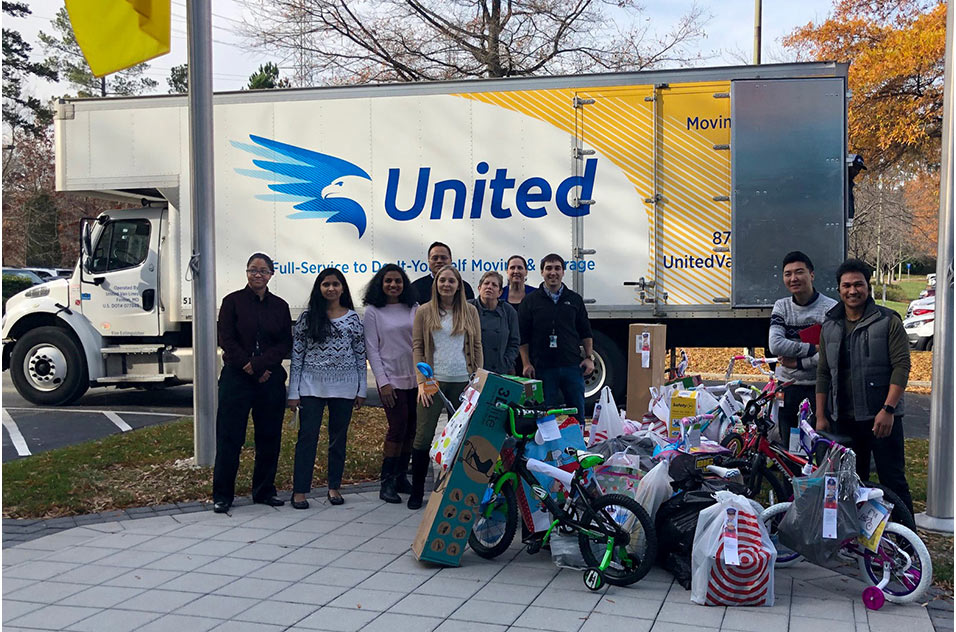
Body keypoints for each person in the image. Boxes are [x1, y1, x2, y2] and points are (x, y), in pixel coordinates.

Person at [816, 258, 913, 514]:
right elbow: (823, 372)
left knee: (892, 482)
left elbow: (901, 367)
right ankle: (858, 545)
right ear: (839, 289)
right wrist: (821, 416)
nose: (852, 291)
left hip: (881, 418)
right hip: (844, 420)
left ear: (867, 287)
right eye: (846, 286)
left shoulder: (888, 320)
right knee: (849, 485)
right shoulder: (830, 325)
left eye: (858, 284)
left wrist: (888, 409)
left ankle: (907, 543)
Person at [212, 253, 292, 514]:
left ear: (271, 274)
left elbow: (284, 343)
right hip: (237, 377)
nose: (258, 275)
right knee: (229, 437)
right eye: (253, 270)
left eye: (263, 271)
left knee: (269, 436)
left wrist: (262, 367)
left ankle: (264, 490)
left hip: (269, 379)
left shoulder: (280, 305)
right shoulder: (232, 302)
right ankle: (223, 495)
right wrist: (249, 366)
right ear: (246, 273)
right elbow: (226, 339)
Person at [287, 268, 367, 508]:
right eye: (326, 284)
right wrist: (293, 392)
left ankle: (334, 487)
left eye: (335, 284)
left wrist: (362, 389)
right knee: (307, 438)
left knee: (338, 440)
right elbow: (297, 356)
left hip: (345, 388)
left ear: (342, 288)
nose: (331, 288)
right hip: (311, 387)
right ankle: (300, 491)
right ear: (319, 289)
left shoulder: (353, 319)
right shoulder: (307, 318)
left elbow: (360, 355)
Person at [409, 265, 482, 509]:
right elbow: (418, 347)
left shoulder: (470, 311)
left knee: (459, 439)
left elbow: (477, 346)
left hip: (463, 382)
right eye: (442, 280)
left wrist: (477, 382)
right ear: (436, 284)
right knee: (423, 437)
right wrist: (421, 381)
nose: (446, 284)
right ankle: (418, 492)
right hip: (432, 382)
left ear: (458, 285)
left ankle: (452, 489)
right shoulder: (424, 311)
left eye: (451, 281)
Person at [363, 264, 419, 504]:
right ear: (380, 284)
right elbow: (372, 349)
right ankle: (386, 482)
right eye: (388, 281)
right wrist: (382, 383)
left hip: (415, 379)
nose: (393, 285)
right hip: (391, 379)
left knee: (411, 428)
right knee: (397, 428)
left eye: (398, 281)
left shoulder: (413, 308)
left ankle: (400, 477)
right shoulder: (373, 311)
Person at [768, 251, 837, 443]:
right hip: (787, 387)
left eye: (799, 272)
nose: (793, 278)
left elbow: (830, 355)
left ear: (811, 275)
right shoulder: (781, 307)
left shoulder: (830, 309)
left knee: (821, 442)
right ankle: (793, 474)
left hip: (819, 389)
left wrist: (797, 362)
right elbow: (775, 344)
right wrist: (812, 349)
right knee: (790, 444)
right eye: (787, 274)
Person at [518, 253, 594, 426]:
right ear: (542, 272)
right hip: (543, 368)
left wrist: (589, 358)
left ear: (563, 272)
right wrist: (526, 363)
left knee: (576, 414)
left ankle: (578, 447)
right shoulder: (530, 301)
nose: (553, 273)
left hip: (572, 367)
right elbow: (523, 336)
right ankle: (548, 450)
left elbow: (585, 331)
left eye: (557, 268)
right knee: (545, 415)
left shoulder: (574, 299)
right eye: (549, 268)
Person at [469, 270, 520, 375]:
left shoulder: (509, 311)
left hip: (500, 370)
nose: (489, 287)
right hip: (473, 371)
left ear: (500, 292)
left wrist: (505, 362)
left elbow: (514, 342)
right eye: (486, 283)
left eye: (494, 285)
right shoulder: (468, 308)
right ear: (479, 288)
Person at [501, 255, 536, 375]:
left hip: (533, 354)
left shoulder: (536, 295)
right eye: (512, 268)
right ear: (507, 271)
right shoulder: (499, 295)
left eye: (520, 268)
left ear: (526, 271)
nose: (516, 271)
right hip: (505, 353)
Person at [411, 241, 475, 305]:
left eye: (443, 258)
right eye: (435, 258)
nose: (439, 261)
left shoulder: (464, 287)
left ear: (450, 260)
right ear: (429, 261)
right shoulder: (415, 287)